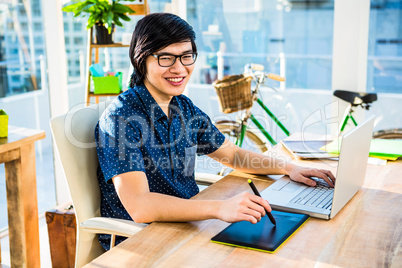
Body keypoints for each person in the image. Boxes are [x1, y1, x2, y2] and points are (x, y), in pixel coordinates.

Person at [95, 13, 335, 250]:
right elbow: (141, 207)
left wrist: (289, 167)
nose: (179, 68)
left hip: (186, 224)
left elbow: (232, 155)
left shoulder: (183, 107)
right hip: (142, 241)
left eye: (186, 57)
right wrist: (219, 207)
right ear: (141, 60)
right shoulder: (121, 119)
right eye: (166, 58)